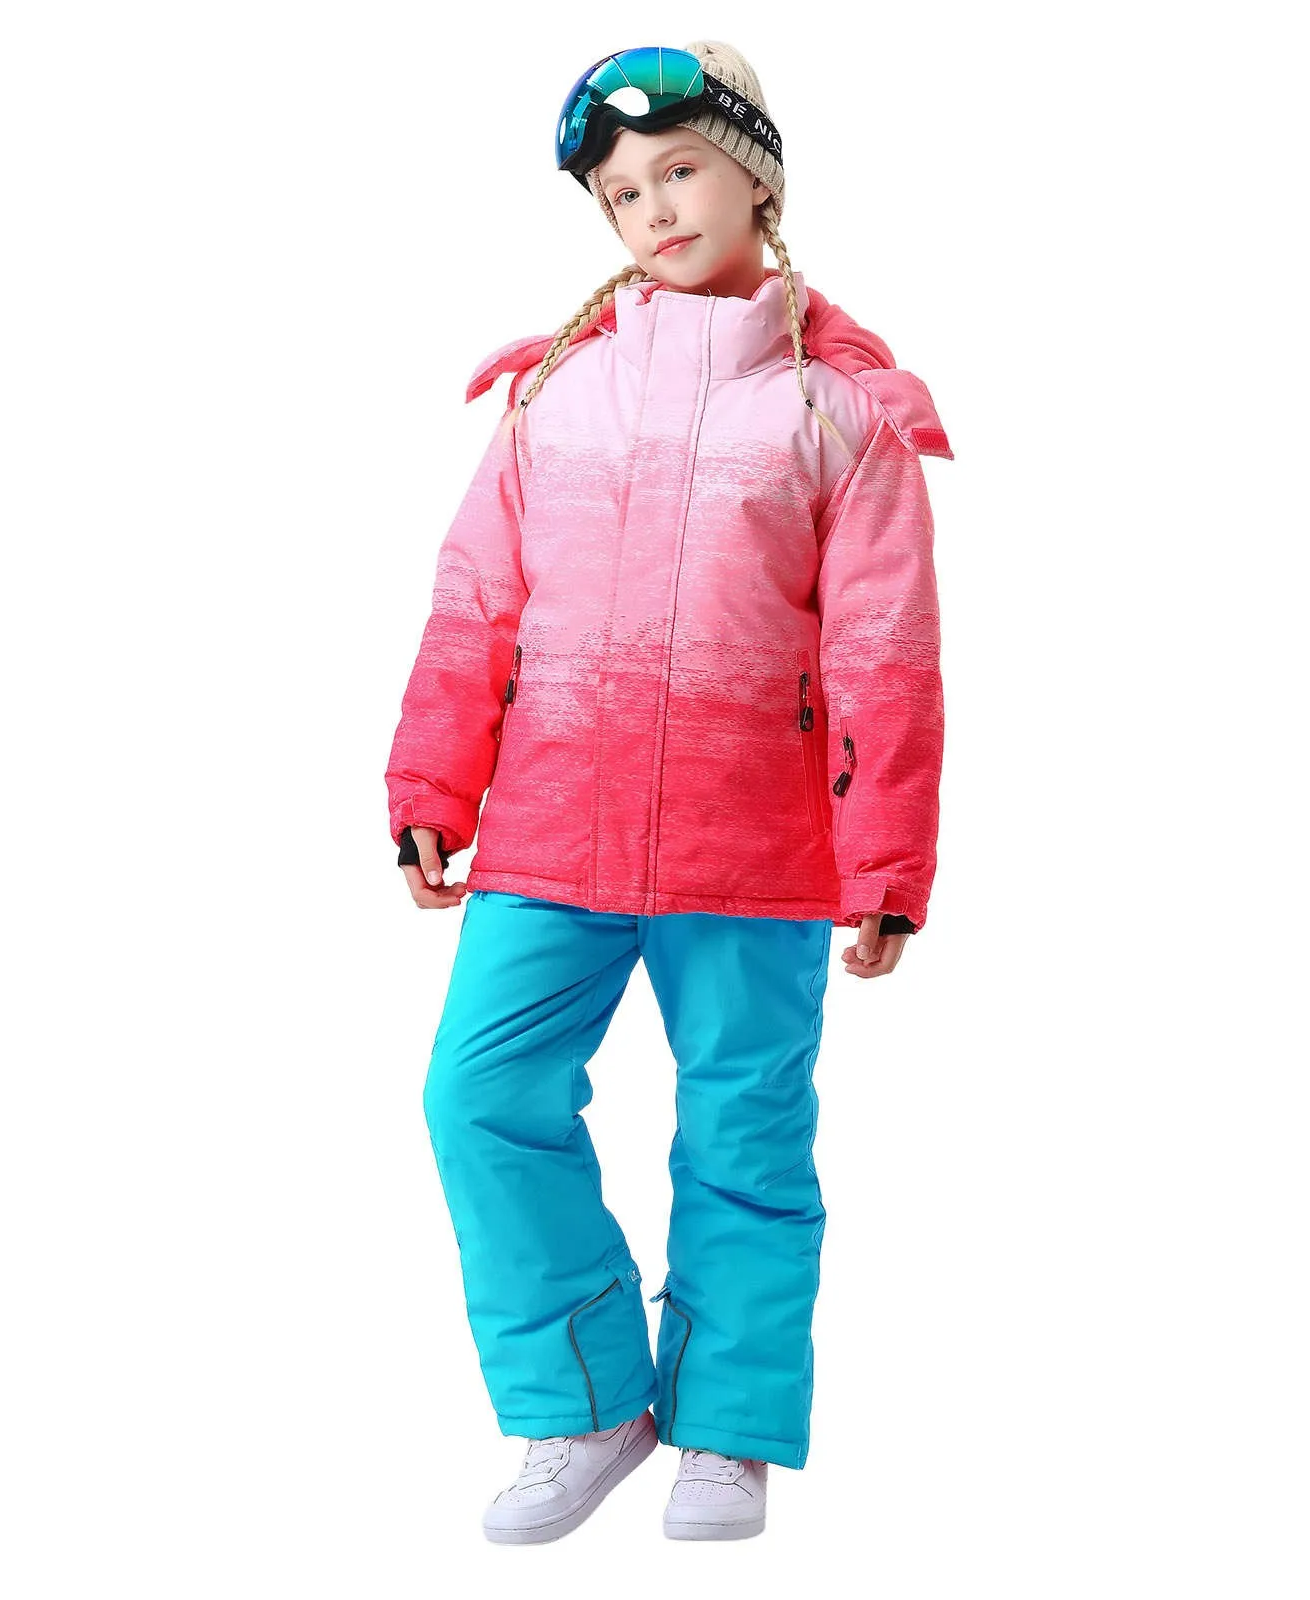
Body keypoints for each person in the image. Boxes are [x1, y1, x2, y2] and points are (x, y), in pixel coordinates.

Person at [385, 40, 953, 1544]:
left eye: (680, 169)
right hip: (549, 828)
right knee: (478, 1096)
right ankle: (586, 1401)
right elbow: (473, 602)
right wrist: (434, 780)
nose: (653, 209)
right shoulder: (555, 393)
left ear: (756, 176)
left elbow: (887, 653)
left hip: (751, 838)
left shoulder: (841, 414)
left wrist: (886, 863)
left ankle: (725, 1429)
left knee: (744, 1138)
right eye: (621, 193)